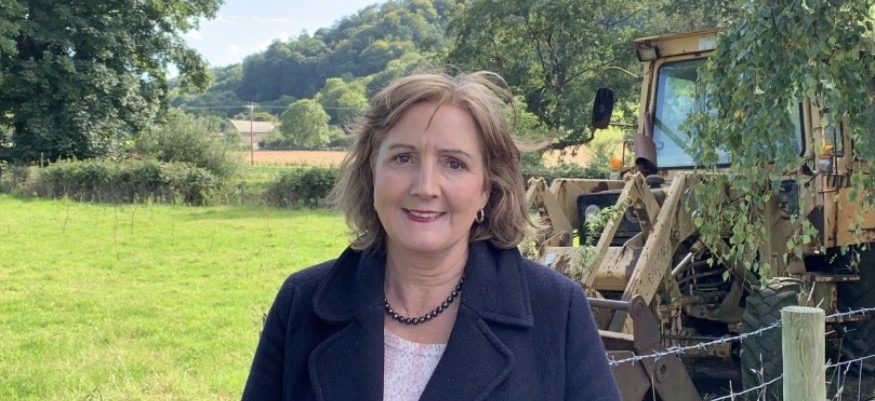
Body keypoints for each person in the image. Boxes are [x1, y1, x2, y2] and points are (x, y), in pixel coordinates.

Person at [241, 71, 622, 401]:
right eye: (403, 158)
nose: (425, 187)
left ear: (487, 188)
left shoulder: (557, 310)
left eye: (454, 163)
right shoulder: (302, 301)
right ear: (372, 172)